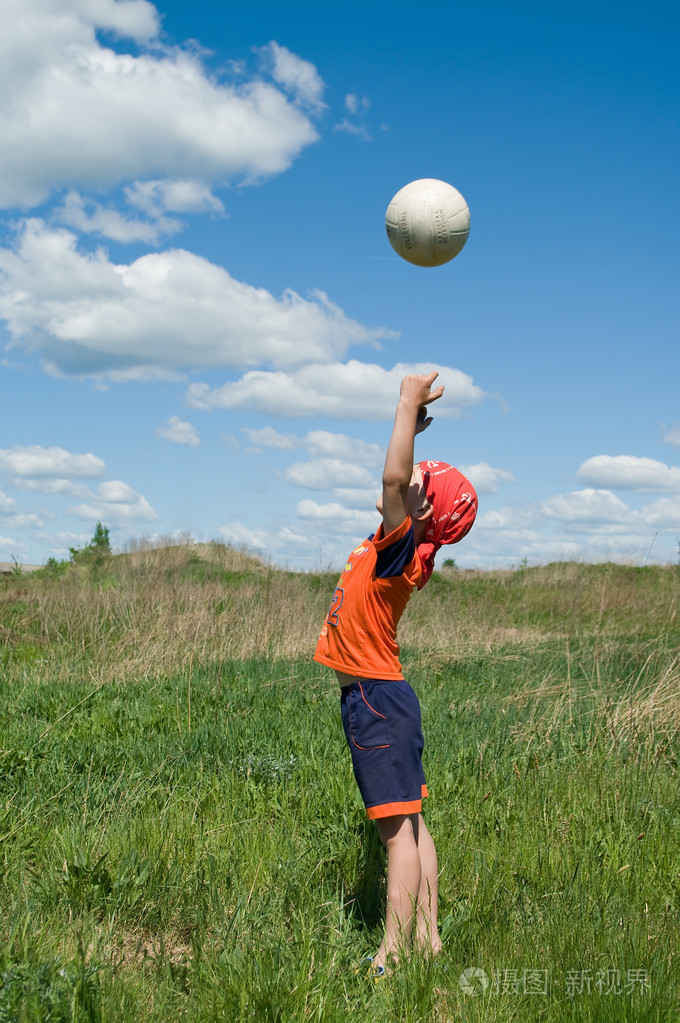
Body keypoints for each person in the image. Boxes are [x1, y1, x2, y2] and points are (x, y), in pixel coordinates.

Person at [314, 371, 477, 976]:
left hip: (375, 700)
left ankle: (391, 953)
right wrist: (411, 433)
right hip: (385, 697)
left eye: (413, 483)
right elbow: (398, 479)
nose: (400, 481)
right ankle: (428, 939)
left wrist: (406, 403)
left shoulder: (401, 542)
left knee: (395, 837)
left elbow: (391, 480)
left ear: (422, 507)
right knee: (411, 821)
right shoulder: (396, 544)